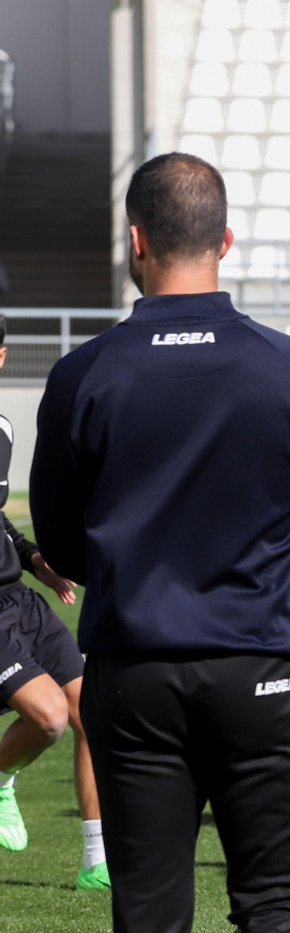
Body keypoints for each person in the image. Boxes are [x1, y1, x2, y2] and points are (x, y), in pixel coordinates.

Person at [31, 152, 290, 933]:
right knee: (274, 910)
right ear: (226, 239)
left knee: (150, 923)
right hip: (263, 670)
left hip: (131, 675)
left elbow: (57, 536)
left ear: (136, 241)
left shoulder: (84, 373)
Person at [0, 316, 108, 890]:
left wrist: (36, 560)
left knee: (91, 712)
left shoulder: (1, 428)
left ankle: (97, 861)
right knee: (48, 717)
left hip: (17, 595)